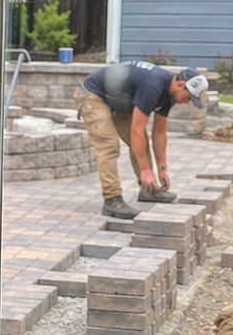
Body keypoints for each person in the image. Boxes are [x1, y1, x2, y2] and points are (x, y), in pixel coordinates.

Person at [75, 61, 208, 219]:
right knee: (108, 146)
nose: (187, 102)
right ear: (180, 84)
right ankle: (112, 200)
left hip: (119, 99)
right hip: (93, 95)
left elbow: (159, 132)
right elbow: (135, 131)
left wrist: (162, 168)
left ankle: (148, 189)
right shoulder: (152, 86)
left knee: (142, 141)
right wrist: (146, 170)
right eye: (189, 97)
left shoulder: (168, 93)